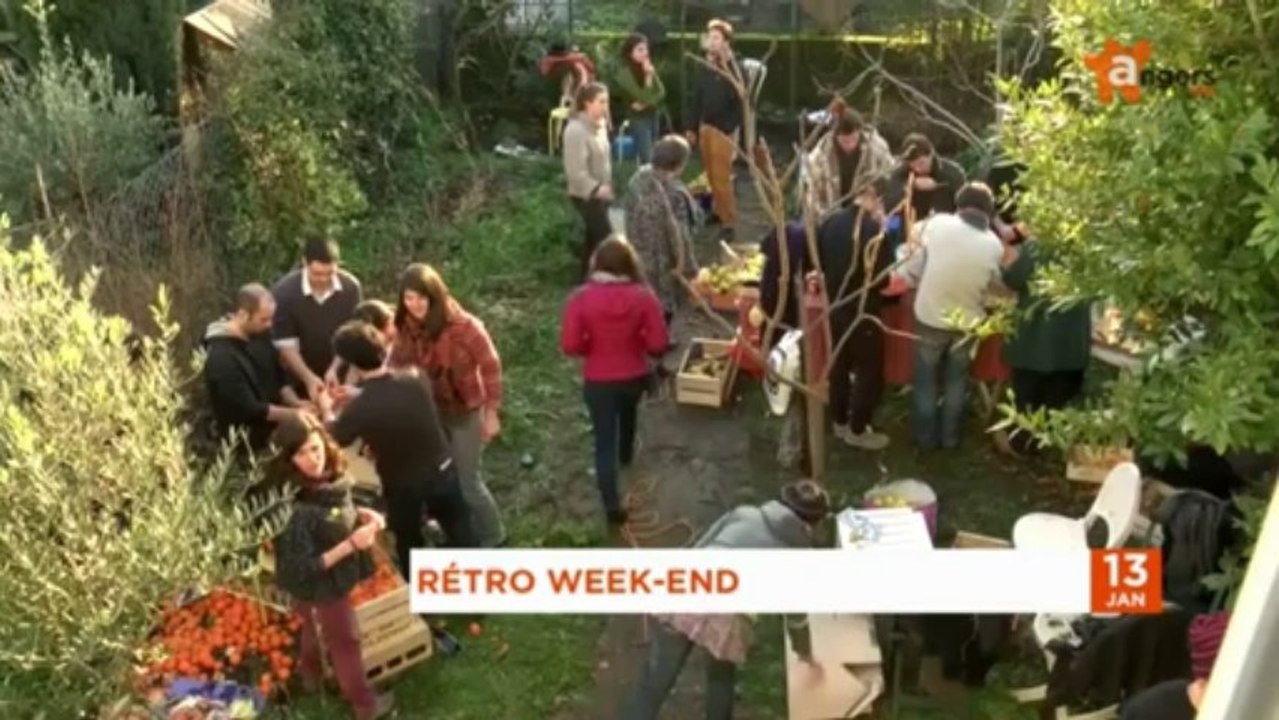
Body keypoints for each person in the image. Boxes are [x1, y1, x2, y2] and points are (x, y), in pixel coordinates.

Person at [622, 480, 829, 720]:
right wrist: (805, 652)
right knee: (720, 679)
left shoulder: (744, 513)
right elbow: (796, 615)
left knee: (656, 678)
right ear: (812, 523)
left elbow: (701, 546)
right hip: (728, 614)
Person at [318, 321, 479, 576]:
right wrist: (357, 394)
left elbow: (335, 437)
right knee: (461, 529)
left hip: (404, 484)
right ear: (381, 349)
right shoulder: (416, 378)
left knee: (409, 539)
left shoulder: (360, 409)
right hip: (443, 468)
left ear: (353, 363)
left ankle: (419, 594)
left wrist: (327, 407)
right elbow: (391, 395)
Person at [268, 414, 394, 720]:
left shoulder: (327, 480)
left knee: (310, 625)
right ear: (288, 460)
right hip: (320, 582)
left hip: (316, 581)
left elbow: (336, 511)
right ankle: (365, 706)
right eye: (301, 454)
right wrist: (352, 544)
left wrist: (363, 514)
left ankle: (310, 676)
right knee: (345, 641)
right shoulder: (297, 510)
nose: (313, 459)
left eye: (314, 447)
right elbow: (302, 568)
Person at [387, 264, 507, 548]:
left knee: (468, 482)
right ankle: (457, 531)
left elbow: (491, 367)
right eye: (408, 299)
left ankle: (495, 536)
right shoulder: (405, 328)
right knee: (440, 478)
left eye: (421, 298)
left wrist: (492, 414)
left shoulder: (466, 328)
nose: (415, 305)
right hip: (432, 412)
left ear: (435, 296)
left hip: (466, 410)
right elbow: (393, 364)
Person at [560, 236, 669, 525]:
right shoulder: (644, 296)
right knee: (630, 413)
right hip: (634, 375)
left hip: (598, 380)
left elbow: (570, 346)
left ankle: (611, 506)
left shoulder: (580, 299)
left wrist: (589, 347)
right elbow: (659, 343)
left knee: (602, 440)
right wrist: (639, 342)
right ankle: (627, 456)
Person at [896, 182, 1005, 450]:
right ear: (988, 213)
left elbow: (911, 262)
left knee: (925, 380)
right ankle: (950, 437)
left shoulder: (936, 224)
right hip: (968, 324)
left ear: (959, 204)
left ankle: (924, 438)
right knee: (957, 381)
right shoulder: (994, 245)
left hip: (930, 315)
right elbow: (995, 286)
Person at [997, 226, 1092, 455]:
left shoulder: (1039, 247)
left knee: (1027, 397)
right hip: (1071, 341)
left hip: (1035, 338)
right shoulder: (1088, 250)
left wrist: (1006, 264)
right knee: (1056, 398)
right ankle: (1046, 444)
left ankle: (1022, 443)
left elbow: (1014, 279)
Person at [818, 176, 895, 450]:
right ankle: (858, 428)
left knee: (838, 366)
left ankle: (838, 420)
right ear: (877, 199)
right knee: (868, 370)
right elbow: (883, 280)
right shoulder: (874, 231)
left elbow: (819, 260)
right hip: (864, 310)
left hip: (835, 305)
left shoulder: (829, 222)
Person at [203, 283, 310, 454]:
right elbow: (249, 409)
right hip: (247, 446)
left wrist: (294, 402)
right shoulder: (221, 357)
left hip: (276, 434)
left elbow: (278, 375)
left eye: (271, 318)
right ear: (243, 315)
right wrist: (297, 415)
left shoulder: (260, 333)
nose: (269, 325)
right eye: (263, 319)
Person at [271, 237, 363, 402]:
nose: (323, 279)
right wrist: (308, 378)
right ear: (305, 263)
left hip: (341, 373)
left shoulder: (351, 288)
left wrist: (335, 368)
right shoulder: (284, 293)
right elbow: (286, 346)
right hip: (299, 378)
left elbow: (353, 334)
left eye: (330, 273)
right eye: (317, 274)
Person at [622, 134, 701, 323]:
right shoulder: (674, 193)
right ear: (679, 165)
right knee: (664, 302)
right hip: (664, 260)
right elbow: (681, 236)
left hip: (638, 248)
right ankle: (659, 341)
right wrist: (690, 268)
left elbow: (628, 212)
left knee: (643, 292)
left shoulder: (638, 178)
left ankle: (641, 330)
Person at [685, 18, 743, 240]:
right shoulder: (706, 65)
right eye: (710, 37)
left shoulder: (735, 66)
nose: (711, 41)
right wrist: (692, 126)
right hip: (705, 127)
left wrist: (728, 128)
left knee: (722, 177)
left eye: (716, 38)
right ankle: (718, 212)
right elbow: (697, 97)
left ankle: (729, 222)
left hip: (722, 131)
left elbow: (741, 103)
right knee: (710, 175)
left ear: (727, 42)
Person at [803, 100, 893, 219]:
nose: (850, 144)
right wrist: (826, 218)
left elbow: (890, 177)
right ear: (835, 136)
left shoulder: (877, 148)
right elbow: (813, 196)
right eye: (845, 141)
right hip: (832, 215)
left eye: (853, 139)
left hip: (869, 214)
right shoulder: (819, 156)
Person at [563, 81, 615, 280]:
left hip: (601, 193)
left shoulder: (599, 127)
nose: (605, 107)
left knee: (593, 241)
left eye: (607, 102)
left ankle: (586, 280)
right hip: (585, 195)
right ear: (587, 103)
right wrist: (596, 189)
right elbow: (575, 171)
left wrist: (607, 186)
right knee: (606, 239)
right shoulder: (575, 130)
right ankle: (607, 282)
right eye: (601, 102)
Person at [883, 133, 968, 221]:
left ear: (930, 154)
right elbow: (889, 202)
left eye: (921, 163)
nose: (917, 169)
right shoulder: (900, 173)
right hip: (912, 225)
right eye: (913, 165)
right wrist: (912, 185)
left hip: (945, 223)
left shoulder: (952, 172)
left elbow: (964, 203)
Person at [614, 33, 666, 163]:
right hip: (638, 118)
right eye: (640, 49)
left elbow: (661, 92)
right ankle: (646, 182)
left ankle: (655, 182)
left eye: (646, 49)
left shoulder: (647, 68)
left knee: (656, 156)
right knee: (647, 158)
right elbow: (642, 95)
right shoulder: (624, 74)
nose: (645, 53)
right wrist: (648, 78)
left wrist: (646, 102)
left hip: (653, 115)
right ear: (630, 52)